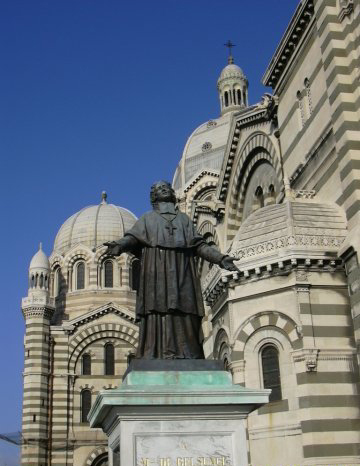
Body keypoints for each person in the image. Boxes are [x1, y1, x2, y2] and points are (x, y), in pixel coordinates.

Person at [104, 181, 239, 359]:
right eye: (159, 189)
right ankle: (156, 354)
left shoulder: (184, 220)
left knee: (186, 308)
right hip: (156, 272)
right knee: (157, 310)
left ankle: (189, 353)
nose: (164, 189)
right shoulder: (147, 219)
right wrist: (119, 245)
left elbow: (200, 245)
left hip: (182, 271)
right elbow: (132, 238)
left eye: (166, 187)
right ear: (154, 196)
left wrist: (221, 258)